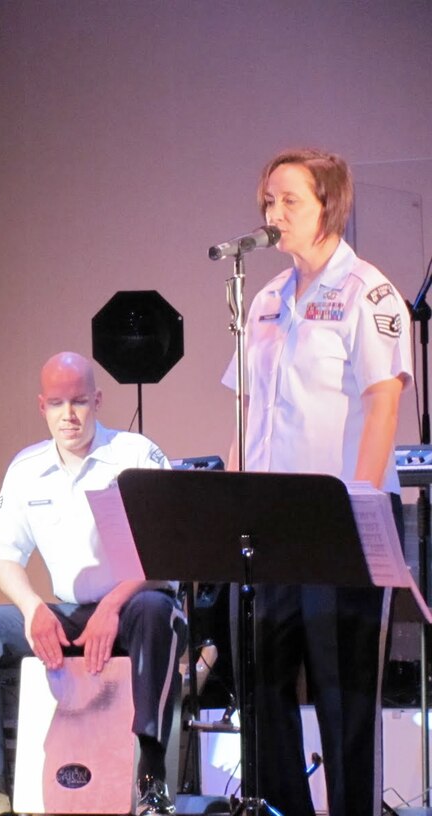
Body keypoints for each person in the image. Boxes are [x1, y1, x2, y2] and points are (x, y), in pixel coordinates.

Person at [221, 147, 412, 816]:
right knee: (260, 678)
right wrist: (234, 501)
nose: (274, 216)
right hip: (271, 518)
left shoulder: (369, 291)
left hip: (338, 514)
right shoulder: (266, 299)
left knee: (342, 689)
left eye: (289, 202)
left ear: (329, 206)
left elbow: (385, 400)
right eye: (268, 203)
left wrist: (359, 503)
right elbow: (248, 408)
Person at [0, 352, 187, 816]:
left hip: (133, 605)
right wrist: (33, 606)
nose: (69, 415)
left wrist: (112, 607)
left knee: (158, 613)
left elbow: (164, 554)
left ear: (97, 400)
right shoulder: (25, 467)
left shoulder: (136, 454)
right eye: (57, 403)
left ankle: (152, 777)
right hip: (69, 613)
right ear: (42, 407)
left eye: (78, 401)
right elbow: (3, 559)